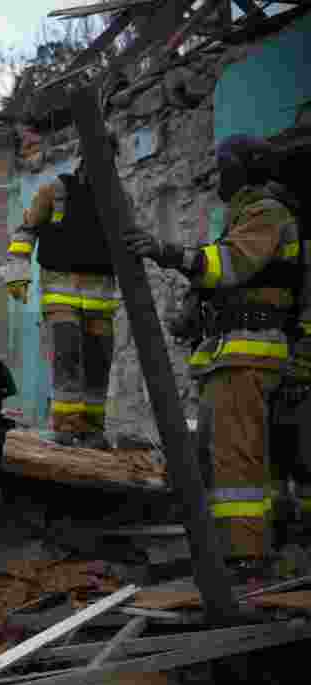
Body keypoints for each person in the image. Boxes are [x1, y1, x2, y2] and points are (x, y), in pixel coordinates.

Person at [124, 135, 303, 574]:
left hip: (249, 354)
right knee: (217, 457)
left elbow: (229, 265)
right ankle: (227, 547)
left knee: (237, 459)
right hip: (229, 355)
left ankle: (245, 556)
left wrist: (165, 252)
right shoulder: (245, 215)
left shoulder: (267, 213)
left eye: (224, 167)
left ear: (243, 171)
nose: (218, 176)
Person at [5, 134, 128, 450]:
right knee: (68, 355)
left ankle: (92, 431)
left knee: (99, 362)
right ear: (83, 159)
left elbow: (129, 240)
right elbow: (26, 230)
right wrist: (17, 272)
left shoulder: (118, 199)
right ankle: (66, 428)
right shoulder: (54, 192)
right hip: (61, 293)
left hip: (100, 300)